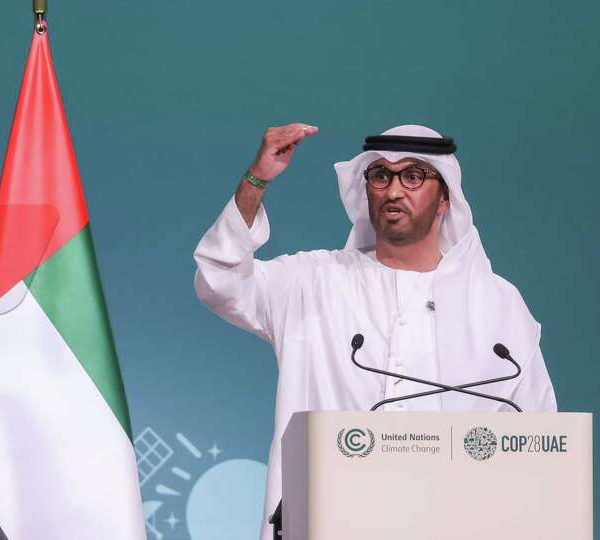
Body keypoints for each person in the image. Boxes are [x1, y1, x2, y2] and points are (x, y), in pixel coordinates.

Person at [193, 123, 557, 540]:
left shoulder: (497, 304)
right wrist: (256, 181)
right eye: (381, 175)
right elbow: (219, 280)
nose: (394, 190)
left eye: (414, 176)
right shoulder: (312, 282)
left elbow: (538, 437)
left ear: (445, 199)